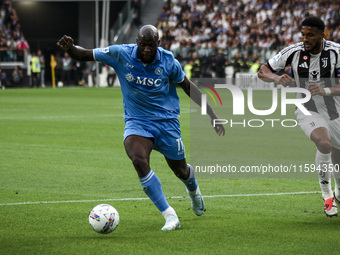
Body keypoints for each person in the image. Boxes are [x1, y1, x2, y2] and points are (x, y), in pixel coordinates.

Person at [57, 25, 225, 231]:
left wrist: (212, 115)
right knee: (138, 158)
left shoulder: (168, 60)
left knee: (181, 171)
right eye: (144, 45)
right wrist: (70, 47)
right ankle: (170, 215)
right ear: (137, 42)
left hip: (167, 122)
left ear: (158, 44)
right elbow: (85, 55)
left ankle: (193, 189)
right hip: (137, 121)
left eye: (151, 46)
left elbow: (188, 87)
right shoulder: (120, 53)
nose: (147, 49)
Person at [258, 17, 340, 217]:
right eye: (303, 34)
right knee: (324, 143)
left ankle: (338, 191)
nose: (305, 38)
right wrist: (277, 77)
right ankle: (327, 196)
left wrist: (325, 90)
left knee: (337, 157)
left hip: (335, 110)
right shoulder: (293, 52)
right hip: (307, 109)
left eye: (310, 35)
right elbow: (262, 71)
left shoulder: (336, 52)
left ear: (323, 34)